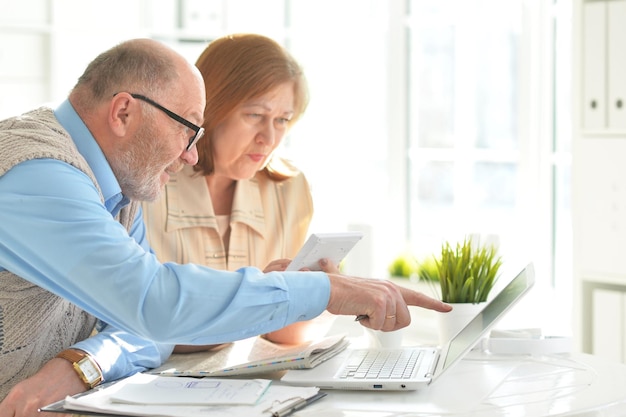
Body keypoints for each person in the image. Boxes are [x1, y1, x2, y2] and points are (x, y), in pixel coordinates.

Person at [0, 38, 451, 416]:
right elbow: (155, 303)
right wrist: (326, 290)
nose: (192, 155)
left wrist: (82, 365)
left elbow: (145, 328)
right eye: (187, 131)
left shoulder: (119, 190)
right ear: (123, 113)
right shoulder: (38, 171)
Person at [143, 33, 323, 348]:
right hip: (150, 386)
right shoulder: (146, 185)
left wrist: (315, 292)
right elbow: (140, 322)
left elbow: (285, 338)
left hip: (254, 387)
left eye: (282, 120)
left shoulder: (290, 189)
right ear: (210, 108)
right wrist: (258, 298)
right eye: (255, 115)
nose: (269, 138)